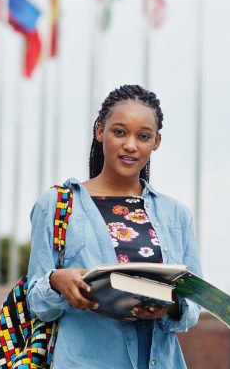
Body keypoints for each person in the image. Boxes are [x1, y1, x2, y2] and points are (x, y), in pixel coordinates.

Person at [27, 85, 202, 369]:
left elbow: (193, 306)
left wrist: (170, 305)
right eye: (119, 132)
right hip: (84, 360)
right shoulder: (58, 204)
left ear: (156, 142)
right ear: (99, 131)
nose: (131, 145)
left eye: (143, 136)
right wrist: (57, 281)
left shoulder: (176, 215)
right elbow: (37, 302)